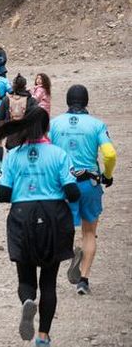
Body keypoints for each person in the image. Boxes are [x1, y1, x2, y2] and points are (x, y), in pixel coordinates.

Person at [0, 106, 80, 347]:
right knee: (49, 281)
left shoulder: (13, 156)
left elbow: (3, 195)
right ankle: (43, 337)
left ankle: (27, 301)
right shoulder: (59, 154)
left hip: (22, 215)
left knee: (25, 278)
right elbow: (73, 193)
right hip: (53, 215)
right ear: (46, 128)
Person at [48, 85, 117, 296]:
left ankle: (68, 253)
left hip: (62, 184)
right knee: (89, 232)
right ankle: (83, 281)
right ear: (86, 101)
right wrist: (108, 175)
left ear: (68, 101)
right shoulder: (97, 125)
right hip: (89, 183)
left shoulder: (54, 124)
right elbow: (110, 154)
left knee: (60, 227)